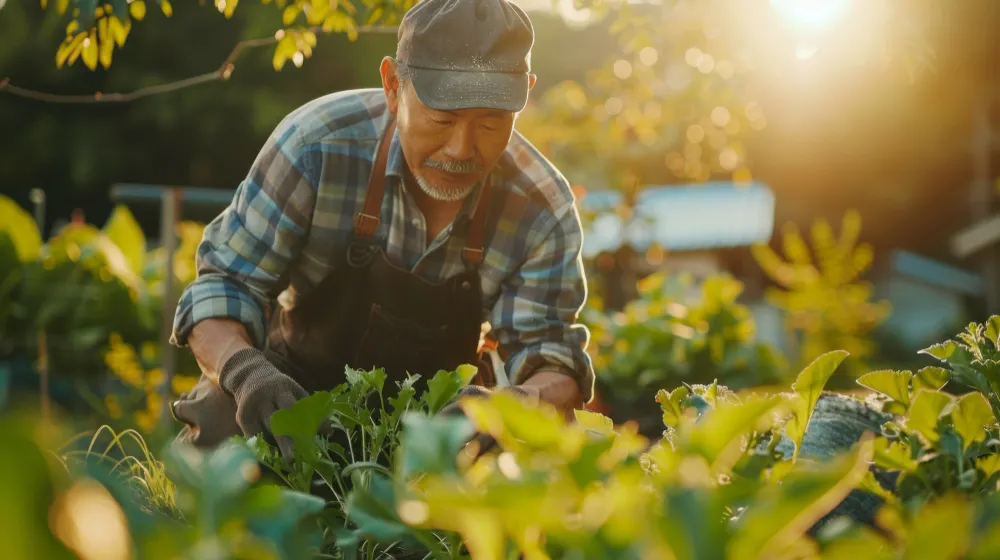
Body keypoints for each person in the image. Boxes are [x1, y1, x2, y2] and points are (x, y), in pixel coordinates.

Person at [168, 0, 594, 457]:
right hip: (297, 392)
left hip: (444, 422)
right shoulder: (315, 147)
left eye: (491, 124)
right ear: (393, 85)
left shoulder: (541, 207)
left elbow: (554, 362)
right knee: (221, 415)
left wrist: (509, 407)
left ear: (524, 95)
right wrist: (247, 374)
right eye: (441, 119)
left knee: (528, 456)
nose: (461, 149)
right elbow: (224, 287)